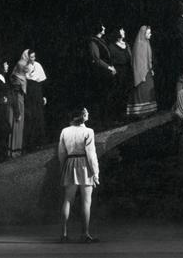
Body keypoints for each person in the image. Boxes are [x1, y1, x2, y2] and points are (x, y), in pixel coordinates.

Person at [58, 108, 99, 243]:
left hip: (70, 163)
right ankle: (85, 234)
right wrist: (95, 172)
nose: (88, 114)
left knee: (68, 200)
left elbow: (61, 153)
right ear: (82, 116)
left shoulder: (65, 131)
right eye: (86, 112)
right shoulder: (88, 131)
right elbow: (91, 154)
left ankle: (64, 234)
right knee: (86, 201)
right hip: (84, 165)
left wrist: (63, 168)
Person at [127, 26, 158, 118]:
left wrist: (151, 69)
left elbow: (148, 59)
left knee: (148, 91)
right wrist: (141, 74)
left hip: (147, 71)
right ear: (143, 34)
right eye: (148, 33)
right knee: (142, 91)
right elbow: (138, 62)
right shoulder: (139, 45)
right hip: (142, 73)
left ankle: (149, 111)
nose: (150, 34)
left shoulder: (146, 43)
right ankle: (140, 113)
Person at [87, 24, 115, 124]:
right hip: (100, 73)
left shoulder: (101, 40)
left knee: (108, 96)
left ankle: (108, 118)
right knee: (103, 97)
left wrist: (111, 66)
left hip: (106, 72)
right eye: (102, 27)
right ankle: (103, 120)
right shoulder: (93, 42)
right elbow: (97, 59)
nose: (104, 28)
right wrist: (109, 67)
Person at [106, 26, 133, 124]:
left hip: (127, 71)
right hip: (118, 72)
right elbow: (109, 60)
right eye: (122, 30)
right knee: (118, 94)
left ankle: (125, 115)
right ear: (117, 33)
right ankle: (117, 117)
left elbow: (130, 57)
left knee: (126, 94)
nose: (124, 32)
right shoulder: (111, 46)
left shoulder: (126, 44)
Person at [24, 50, 48, 151]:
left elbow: (42, 82)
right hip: (30, 93)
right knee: (32, 118)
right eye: (31, 57)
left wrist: (44, 96)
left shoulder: (38, 65)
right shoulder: (25, 67)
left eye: (34, 57)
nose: (33, 59)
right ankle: (31, 144)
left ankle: (40, 142)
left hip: (38, 92)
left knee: (40, 117)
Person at [8, 52, 30, 157]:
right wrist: (17, 112)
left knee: (19, 126)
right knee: (16, 124)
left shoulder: (21, 78)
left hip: (19, 102)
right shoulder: (16, 79)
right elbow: (14, 96)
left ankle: (17, 149)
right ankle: (14, 151)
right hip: (16, 104)